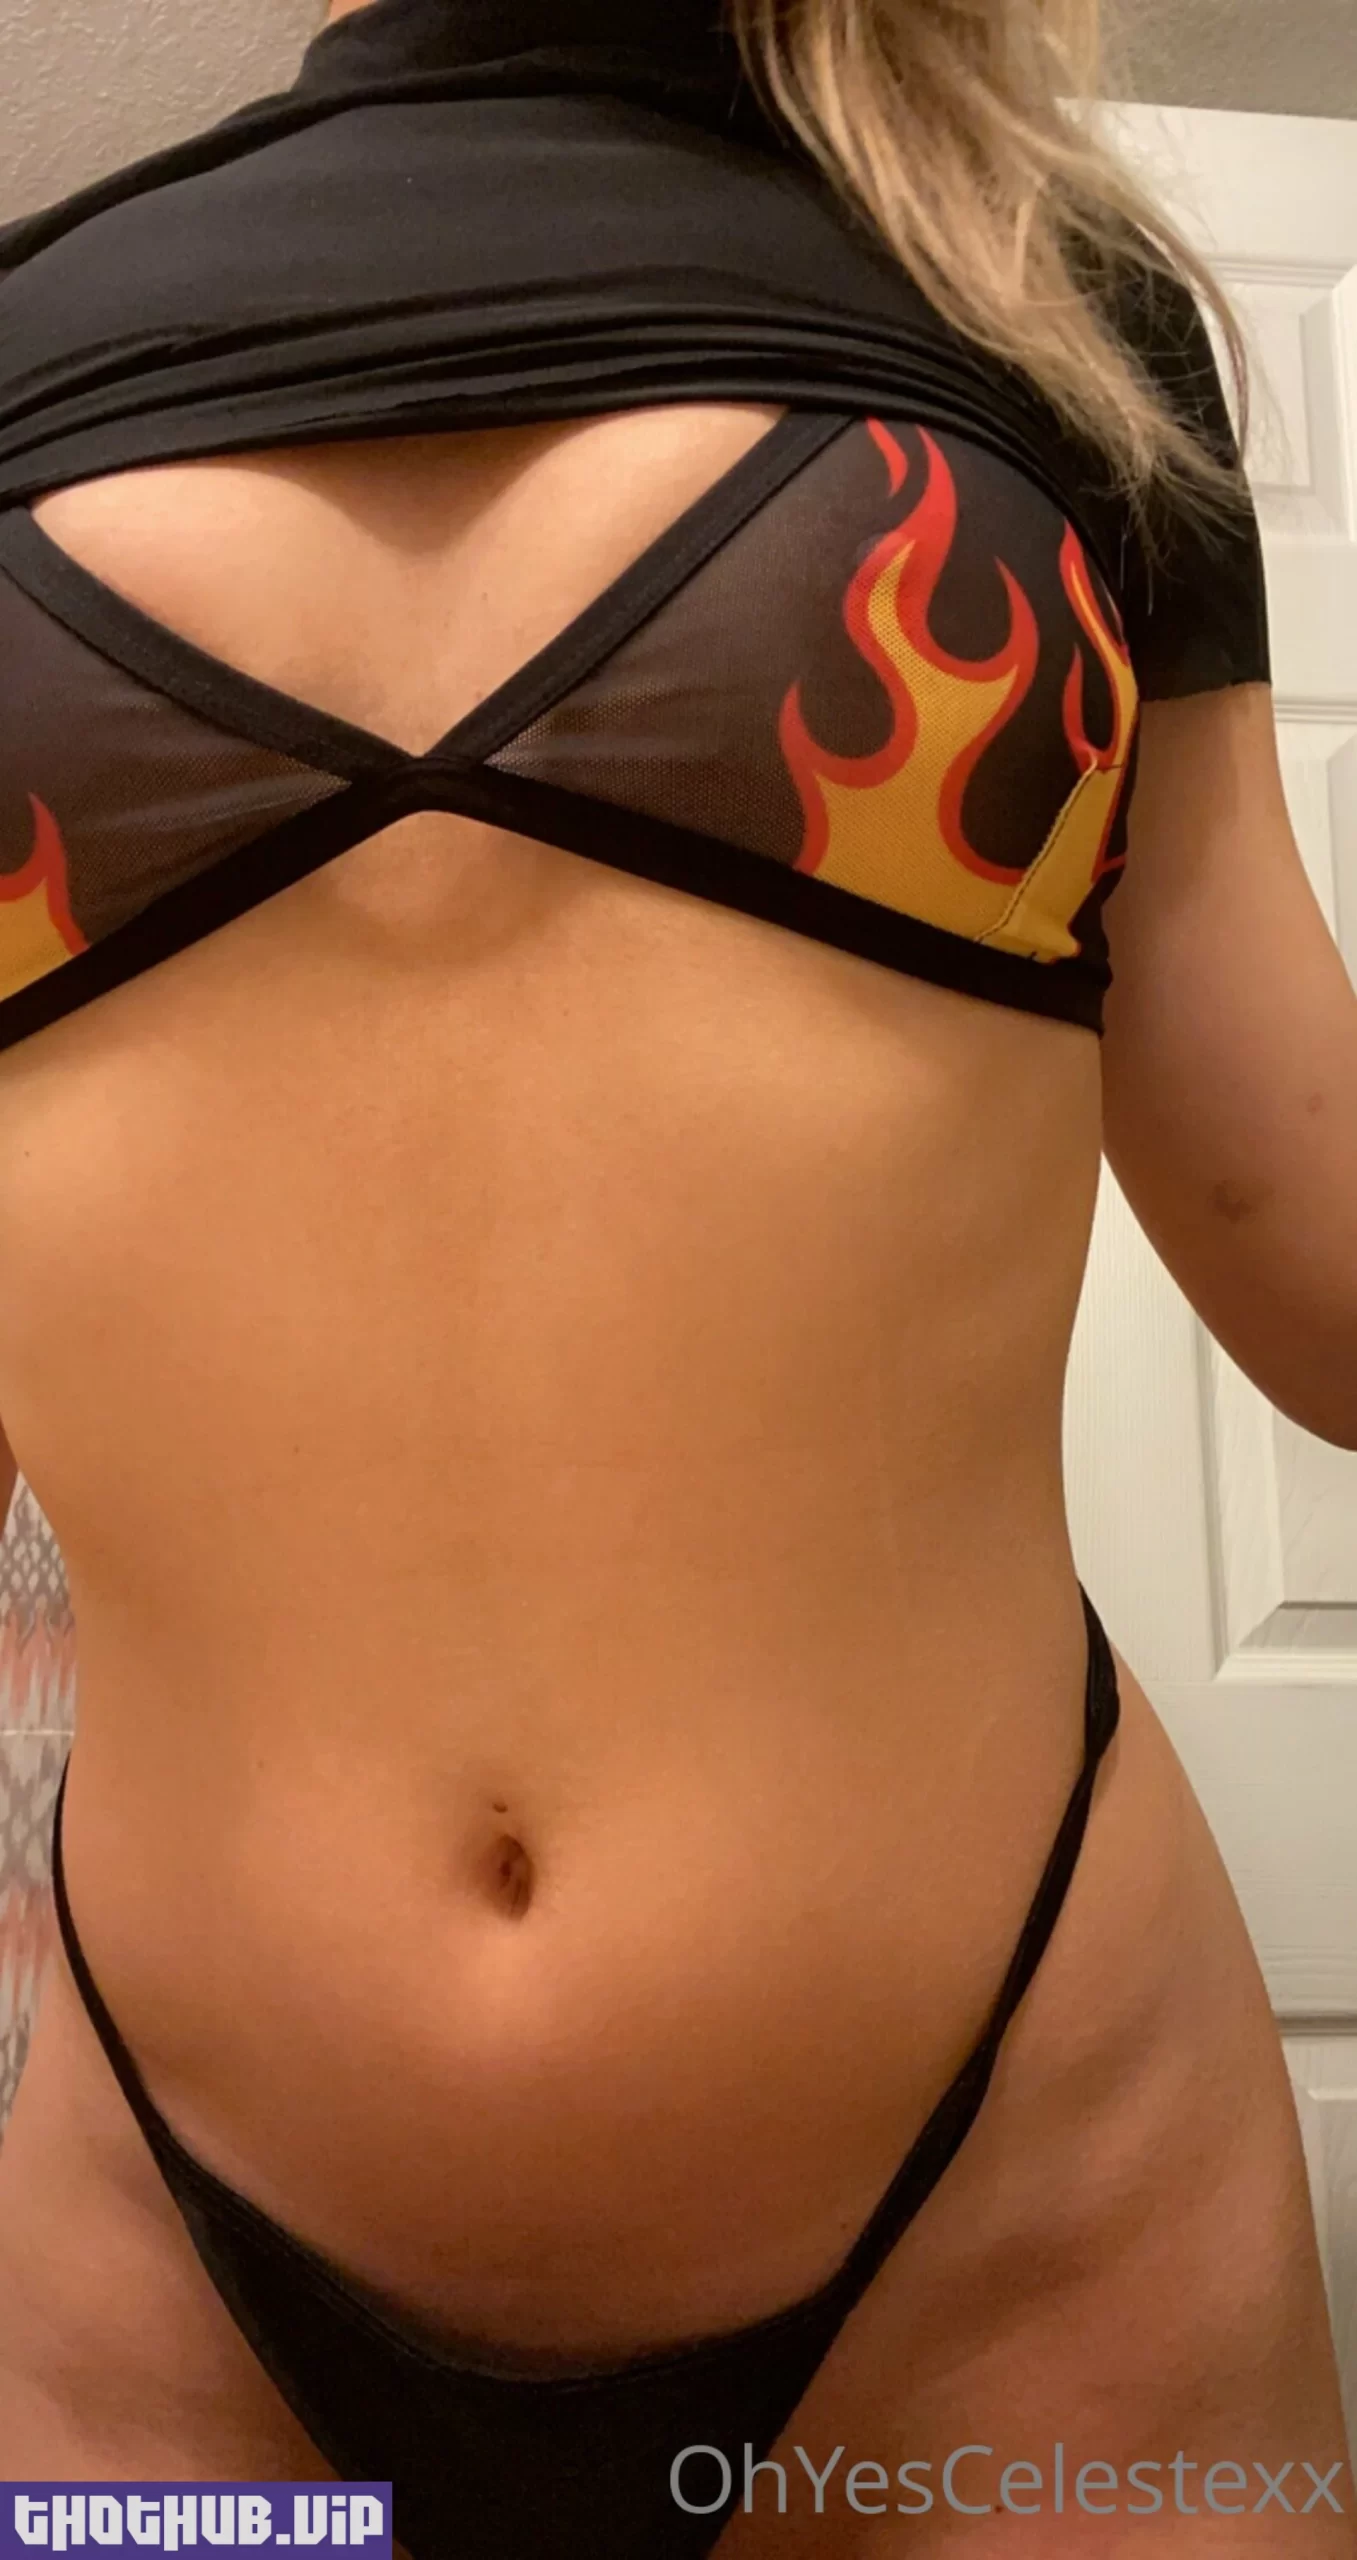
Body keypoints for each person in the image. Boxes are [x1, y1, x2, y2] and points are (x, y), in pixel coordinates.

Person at [0, 0, 1353, 2547]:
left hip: (979, 2203)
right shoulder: (1038, 322)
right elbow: (1325, 1269)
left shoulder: (26, 360)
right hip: (250, 2273)